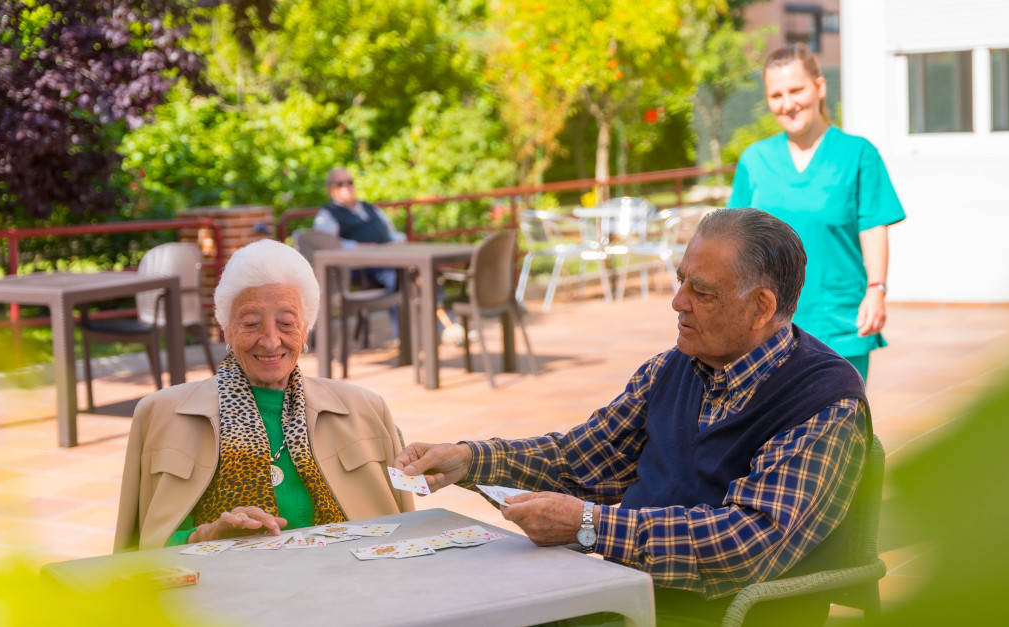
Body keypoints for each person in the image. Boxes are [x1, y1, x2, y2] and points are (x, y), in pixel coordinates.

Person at [396, 209, 871, 625]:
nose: (678, 301)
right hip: (627, 595)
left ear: (761, 307)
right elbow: (578, 460)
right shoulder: (674, 367)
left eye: (701, 291)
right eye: (681, 279)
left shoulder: (823, 400)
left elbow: (748, 541)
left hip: (729, 617)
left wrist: (590, 526)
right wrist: (469, 460)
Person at [114, 239, 414, 551]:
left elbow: (406, 537)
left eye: (286, 323)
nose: (270, 342)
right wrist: (206, 535)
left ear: (305, 330)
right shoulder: (161, 415)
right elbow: (141, 553)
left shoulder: (366, 410)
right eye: (251, 324)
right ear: (227, 331)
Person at [728, 44, 905, 382]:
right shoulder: (755, 160)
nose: (788, 103)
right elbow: (737, 239)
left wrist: (876, 289)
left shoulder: (858, 154)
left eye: (796, 90)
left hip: (838, 318)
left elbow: (873, 227)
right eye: (776, 95)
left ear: (820, 87)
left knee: (840, 423)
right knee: (772, 428)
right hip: (765, 323)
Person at [315, 166, 406, 333]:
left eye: (350, 182)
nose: (347, 186)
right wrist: (358, 247)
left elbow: (391, 232)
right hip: (361, 266)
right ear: (330, 189)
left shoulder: (370, 207)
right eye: (340, 183)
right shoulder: (327, 214)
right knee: (398, 278)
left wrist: (398, 241)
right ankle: (404, 336)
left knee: (423, 273)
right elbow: (328, 244)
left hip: (389, 257)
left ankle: (444, 327)